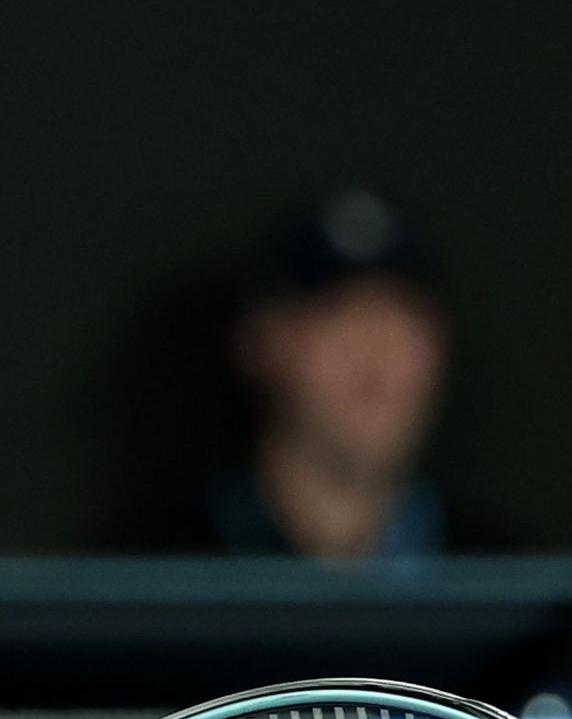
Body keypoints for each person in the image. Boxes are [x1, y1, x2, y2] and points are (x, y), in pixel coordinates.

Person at [185, 190, 488, 561]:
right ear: (259, 343)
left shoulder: (513, 573)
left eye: (402, 316)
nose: (374, 347)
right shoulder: (156, 563)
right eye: (335, 314)